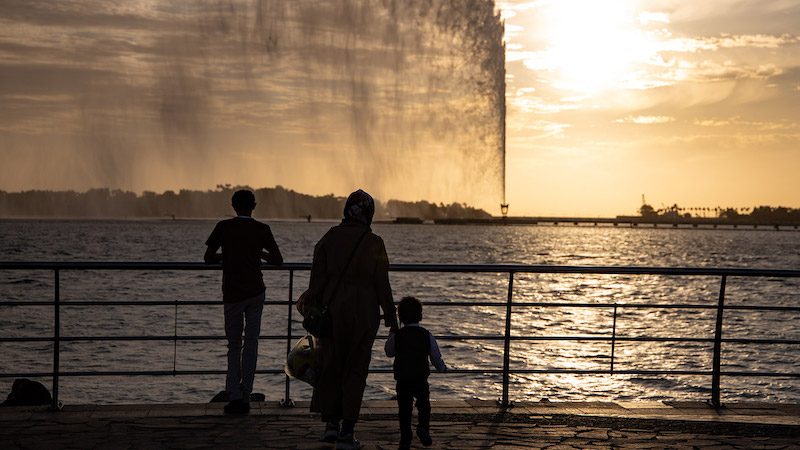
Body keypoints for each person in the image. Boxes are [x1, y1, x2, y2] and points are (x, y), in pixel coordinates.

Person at [298, 189, 398, 450]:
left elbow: (316, 282)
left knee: (330, 367)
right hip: (364, 316)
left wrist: (310, 306)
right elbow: (382, 286)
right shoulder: (374, 242)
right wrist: (392, 320)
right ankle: (347, 431)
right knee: (355, 370)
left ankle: (330, 425)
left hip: (332, 314)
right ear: (369, 213)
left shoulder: (328, 239)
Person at [204, 189, 283, 414]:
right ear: (254, 206)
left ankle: (234, 395)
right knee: (251, 343)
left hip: (232, 294)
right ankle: (247, 393)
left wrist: (228, 257)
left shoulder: (223, 227)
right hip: (256, 292)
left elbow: (208, 258)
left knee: (233, 345)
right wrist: (259, 255)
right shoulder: (262, 229)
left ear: (233, 205)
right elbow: (278, 260)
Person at [385, 296, 447, 449]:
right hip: (420, 377)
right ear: (420, 315)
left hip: (403, 378)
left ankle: (405, 437)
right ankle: (423, 427)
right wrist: (442, 368)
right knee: (424, 405)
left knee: (404, 409)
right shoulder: (426, 335)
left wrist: (391, 334)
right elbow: (435, 356)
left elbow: (389, 352)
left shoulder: (398, 336)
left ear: (400, 317)